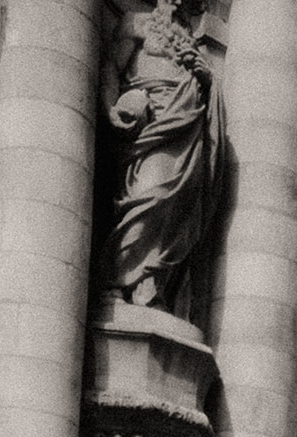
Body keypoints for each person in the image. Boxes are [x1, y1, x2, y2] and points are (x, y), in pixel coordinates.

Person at [100, 0, 225, 315]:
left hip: (186, 130)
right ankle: (116, 279)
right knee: (150, 195)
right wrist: (110, 107)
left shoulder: (191, 43)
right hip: (151, 124)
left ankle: (149, 283)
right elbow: (112, 67)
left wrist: (205, 78)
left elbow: (206, 94)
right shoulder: (136, 22)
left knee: (177, 205)